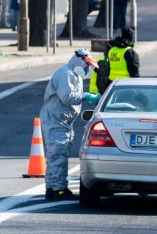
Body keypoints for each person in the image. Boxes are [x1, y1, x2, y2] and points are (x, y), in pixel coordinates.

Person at [40, 48, 100, 200]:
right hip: (55, 119)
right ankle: (59, 190)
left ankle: (52, 188)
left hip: (63, 120)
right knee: (57, 154)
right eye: (88, 66)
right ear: (80, 61)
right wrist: (86, 96)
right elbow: (66, 97)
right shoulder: (66, 74)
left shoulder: (75, 75)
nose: (89, 69)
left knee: (56, 155)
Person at [98, 26, 140, 94]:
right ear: (131, 39)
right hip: (126, 86)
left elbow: (108, 68)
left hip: (112, 85)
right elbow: (135, 73)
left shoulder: (112, 50)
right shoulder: (130, 53)